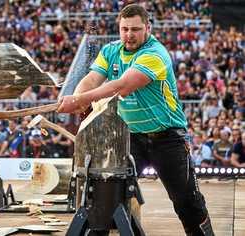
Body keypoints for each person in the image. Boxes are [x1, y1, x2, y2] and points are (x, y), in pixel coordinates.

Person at [57, 4, 214, 235]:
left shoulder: (155, 54)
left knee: (186, 202)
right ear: (118, 29)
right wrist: (79, 98)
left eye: (135, 29)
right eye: (124, 29)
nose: (129, 35)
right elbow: (91, 79)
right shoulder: (110, 51)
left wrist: (80, 99)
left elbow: (122, 86)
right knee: (109, 192)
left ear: (147, 28)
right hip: (130, 137)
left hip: (168, 137)